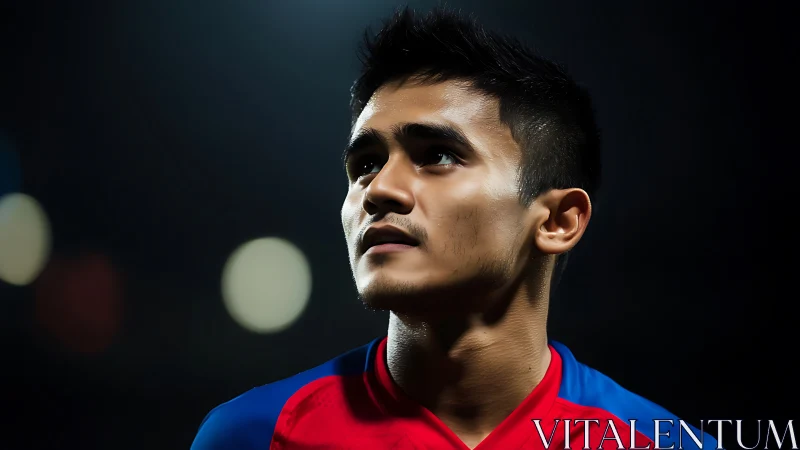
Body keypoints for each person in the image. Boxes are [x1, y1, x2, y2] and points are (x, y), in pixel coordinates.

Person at [192, 7, 716, 450]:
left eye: (437, 155)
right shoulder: (253, 435)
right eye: (366, 164)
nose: (378, 190)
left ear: (557, 221)